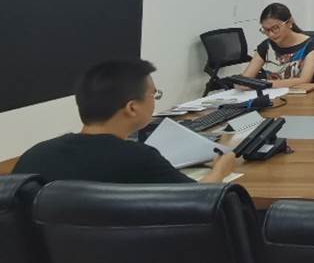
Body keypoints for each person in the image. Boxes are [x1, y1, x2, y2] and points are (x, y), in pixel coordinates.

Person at [14, 60, 238, 184]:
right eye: (154, 94)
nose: (155, 100)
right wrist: (220, 170)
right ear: (132, 107)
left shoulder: (34, 157)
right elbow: (199, 199)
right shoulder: (139, 158)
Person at [237, 3, 314, 89]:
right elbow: (245, 80)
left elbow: (305, 80)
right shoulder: (266, 46)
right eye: (266, 30)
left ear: (289, 23)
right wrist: (240, 83)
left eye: (275, 28)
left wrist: (266, 84)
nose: (271, 34)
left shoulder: (310, 44)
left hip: (299, 95)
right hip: (271, 95)